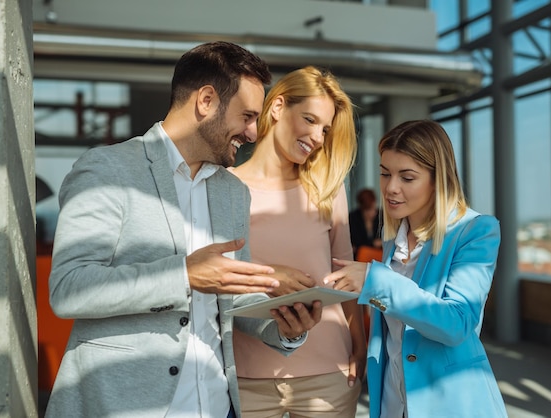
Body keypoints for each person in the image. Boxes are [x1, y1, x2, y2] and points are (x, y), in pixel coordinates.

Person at [44, 41, 322, 418]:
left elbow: (229, 301)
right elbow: (69, 289)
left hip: (215, 405)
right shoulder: (107, 170)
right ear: (206, 101)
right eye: (246, 116)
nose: (254, 133)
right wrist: (184, 275)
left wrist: (285, 327)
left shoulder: (233, 192)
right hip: (124, 406)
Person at [324, 119, 508, 417]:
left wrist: (376, 282)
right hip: (394, 402)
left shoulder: (476, 231)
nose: (390, 188)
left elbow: (457, 323)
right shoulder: (391, 242)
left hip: (451, 404)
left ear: (439, 179)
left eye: (407, 178)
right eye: (385, 174)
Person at [229, 66, 367, 418]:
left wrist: (360, 346)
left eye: (325, 129)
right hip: (244, 376)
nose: (319, 137)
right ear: (276, 108)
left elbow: (345, 275)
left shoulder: (326, 190)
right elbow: (210, 272)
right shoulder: (223, 188)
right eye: (310, 120)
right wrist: (272, 275)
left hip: (328, 373)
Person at [349, 188, 382, 260]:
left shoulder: (381, 216)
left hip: (379, 257)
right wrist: (374, 243)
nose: (373, 212)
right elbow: (356, 244)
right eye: (368, 210)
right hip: (360, 258)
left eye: (374, 208)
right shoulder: (353, 218)